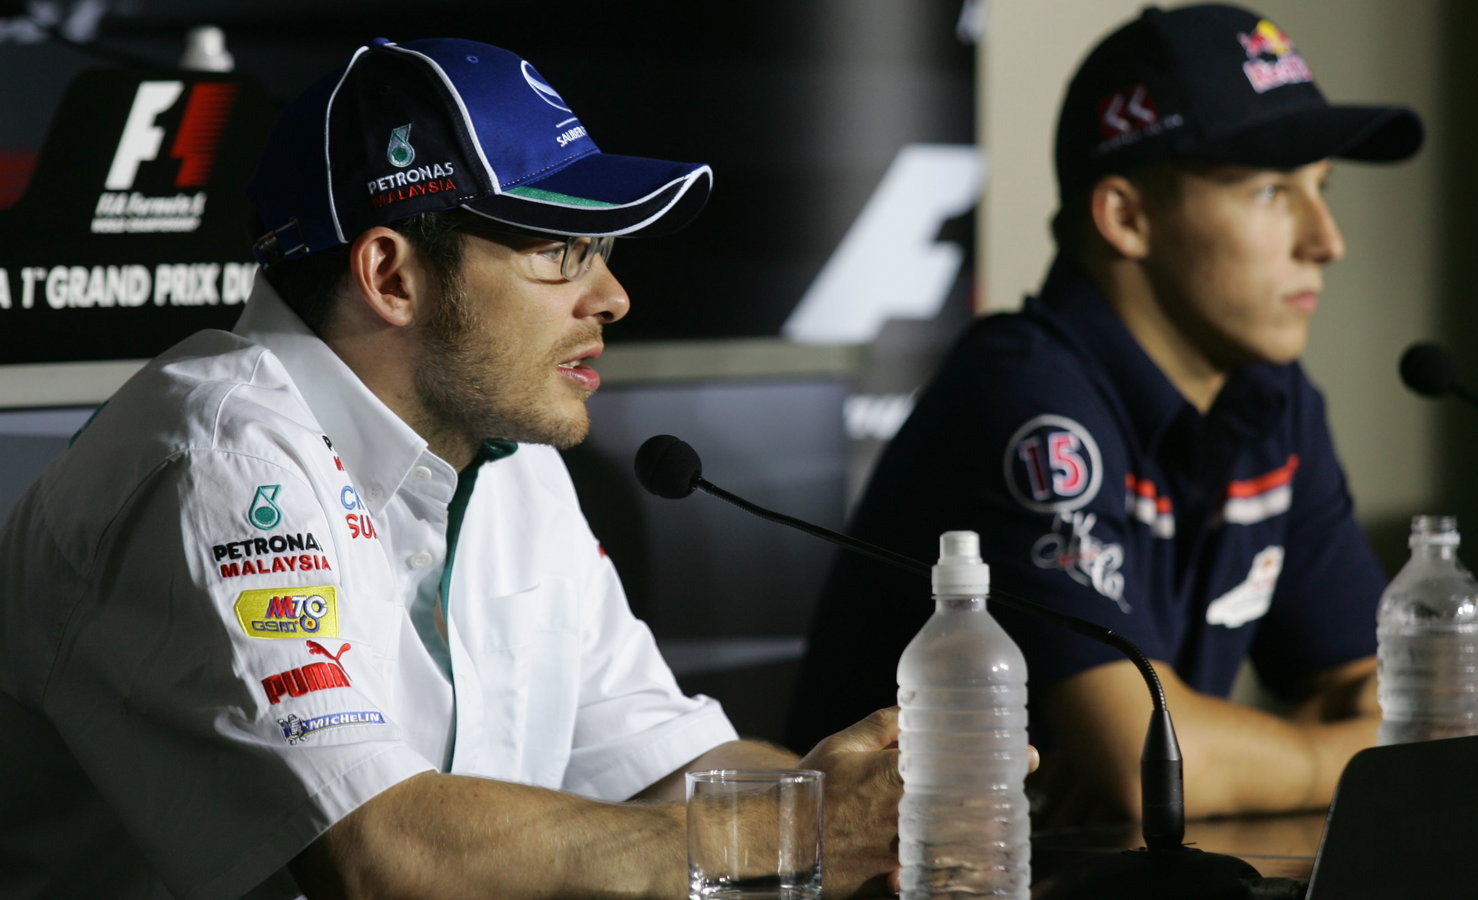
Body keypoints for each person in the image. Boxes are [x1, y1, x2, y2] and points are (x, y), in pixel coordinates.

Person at [0, 37, 901, 900]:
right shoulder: (219, 463)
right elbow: (379, 857)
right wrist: (787, 838)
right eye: (560, 251)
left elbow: (657, 764)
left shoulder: (507, 454)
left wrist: (876, 822)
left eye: (605, 252)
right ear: (391, 276)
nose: (612, 297)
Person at [790, 2, 1423, 826]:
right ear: (1126, 217)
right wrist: (1338, 755)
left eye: (1322, 188)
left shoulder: (1271, 399)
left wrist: (1246, 752)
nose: (1326, 239)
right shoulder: (1021, 393)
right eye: (1272, 191)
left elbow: (1377, 688)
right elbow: (1147, 762)